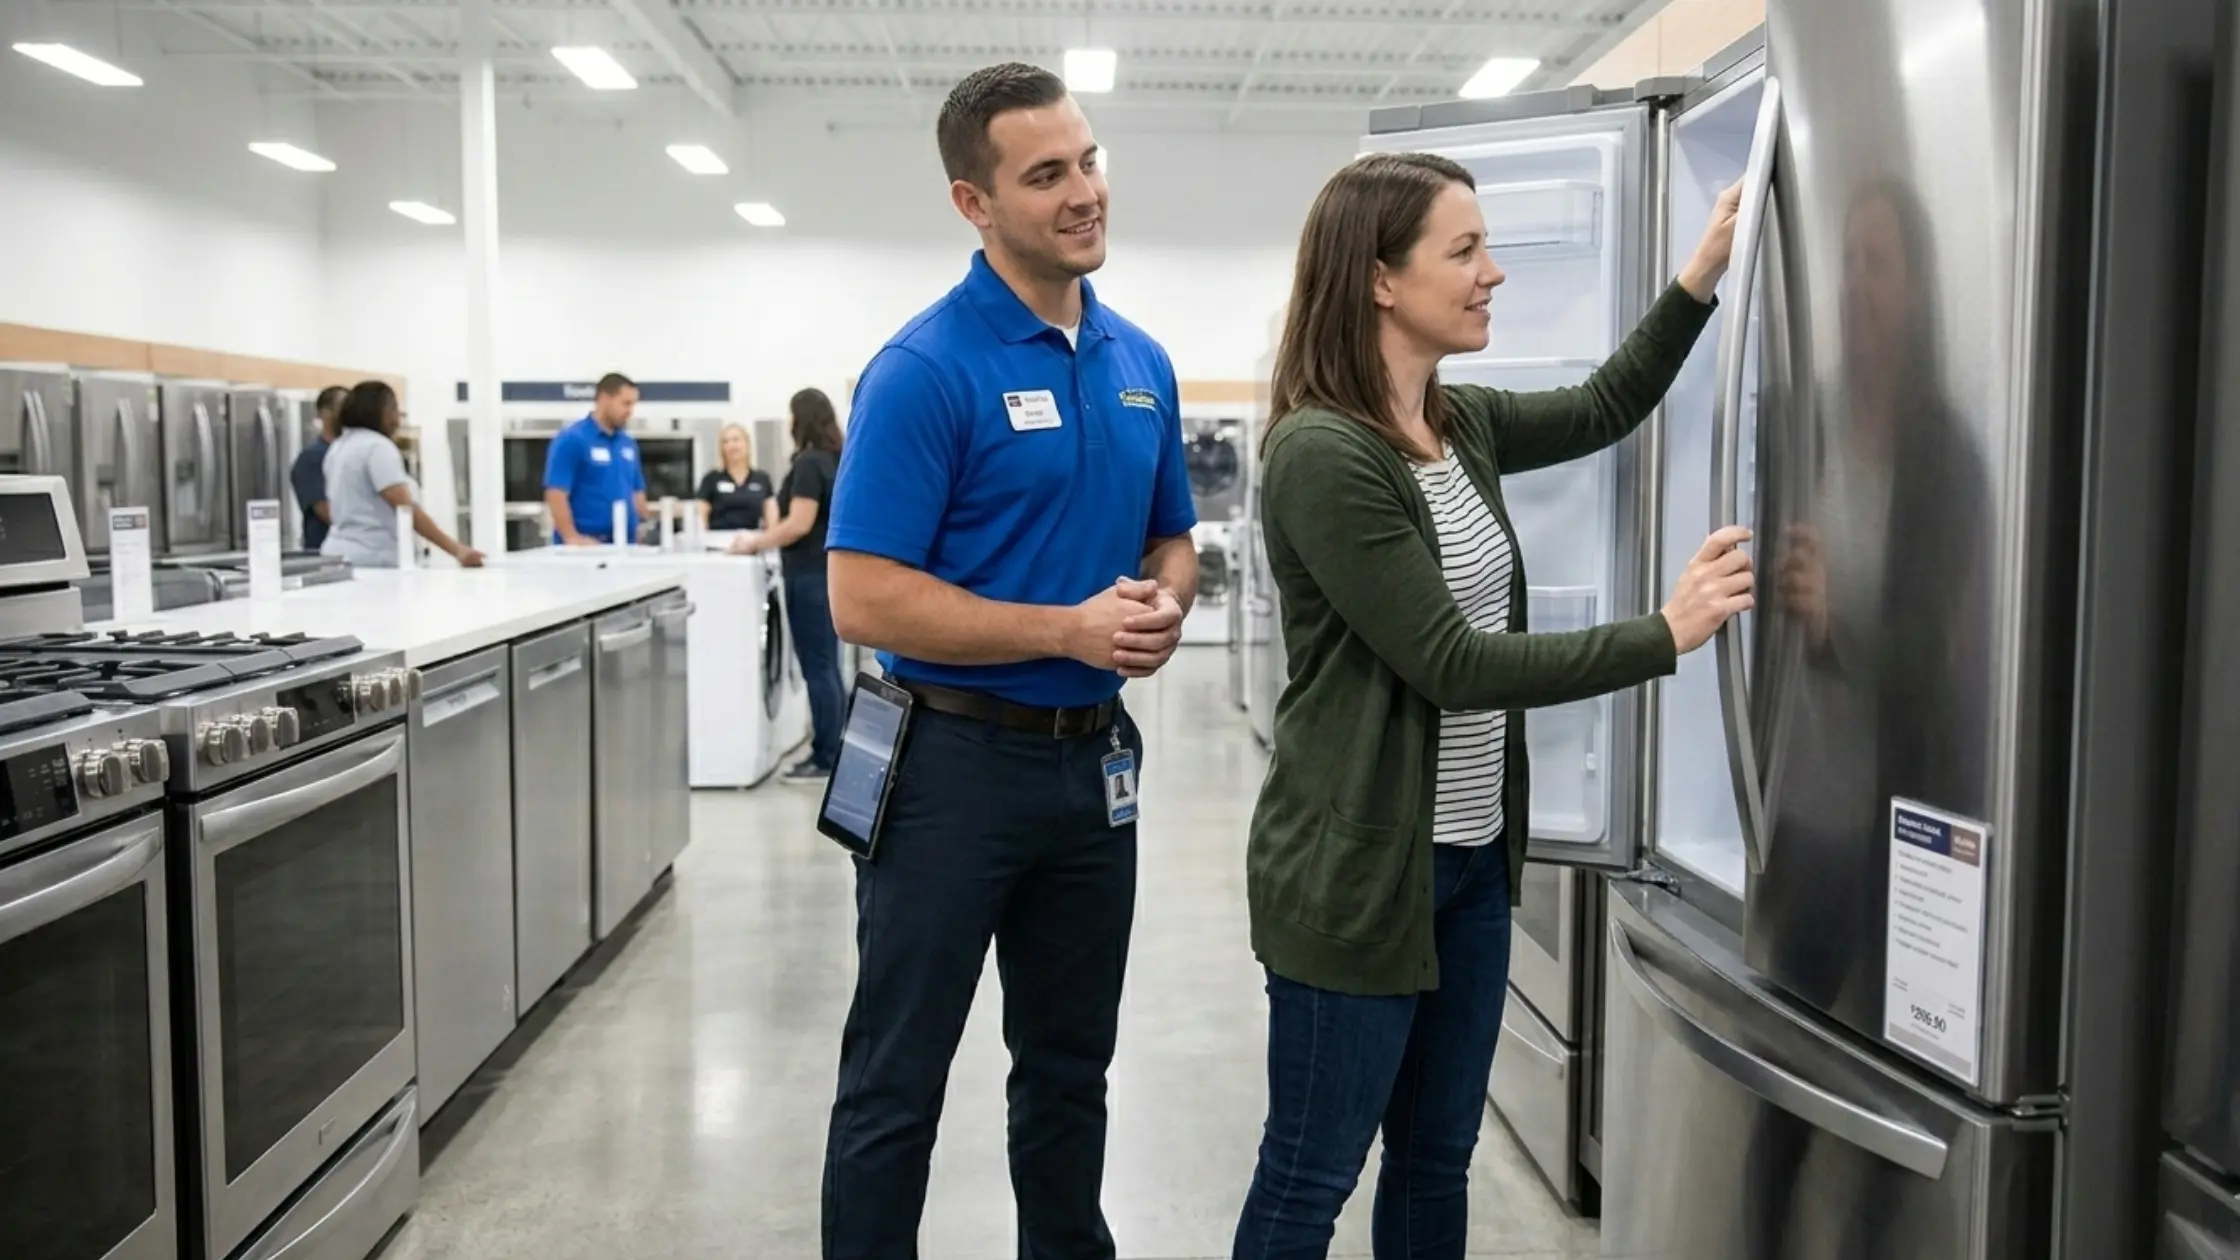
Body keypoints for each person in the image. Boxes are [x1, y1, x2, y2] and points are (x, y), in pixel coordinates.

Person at [1230, 152, 1748, 1258]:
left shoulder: (1455, 423)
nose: (1492, 273)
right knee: (1309, 1176)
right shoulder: (1324, 454)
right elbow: (1452, 663)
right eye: (1463, 250)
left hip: (1465, 865)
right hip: (1359, 876)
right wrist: (1664, 632)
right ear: (1379, 279)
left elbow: (1605, 404)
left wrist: (1702, 272)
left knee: (1434, 1159)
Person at [817, 63, 1198, 1260]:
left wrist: (1162, 604)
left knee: (1069, 1071)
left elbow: (1171, 537)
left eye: (1087, 161)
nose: (1083, 192)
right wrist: (1062, 629)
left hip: (1092, 773)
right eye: (1044, 176)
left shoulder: (1137, 361)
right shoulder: (925, 369)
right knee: (896, 1081)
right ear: (972, 204)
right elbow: (859, 596)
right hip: (946, 770)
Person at [729, 390, 844, 780]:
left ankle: (826, 755)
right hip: (827, 574)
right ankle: (834, 748)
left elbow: (798, 523)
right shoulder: (835, 458)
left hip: (807, 577)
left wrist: (754, 543)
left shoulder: (809, 462)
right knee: (828, 666)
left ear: (800, 419)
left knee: (817, 668)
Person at [321, 381, 483, 569]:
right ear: (380, 411)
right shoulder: (377, 447)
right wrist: (457, 550)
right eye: (394, 409)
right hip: (372, 557)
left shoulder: (339, 447)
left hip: (337, 553)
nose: (398, 418)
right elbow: (405, 507)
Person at [543, 373, 648, 545]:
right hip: (586, 546)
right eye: (625, 403)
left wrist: (644, 525)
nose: (630, 411)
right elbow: (556, 493)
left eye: (633, 404)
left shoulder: (627, 443)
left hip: (625, 544)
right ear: (604, 398)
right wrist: (571, 537)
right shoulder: (572, 439)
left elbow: (636, 490)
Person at [289, 385, 346, 551]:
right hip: (324, 554)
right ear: (324, 413)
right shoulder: (313, 458)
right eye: (342, 407)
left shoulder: (350, 453)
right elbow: (326, 511)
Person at [695, 422, 778, 534]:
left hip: (752, 540)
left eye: (736, 440)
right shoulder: (711, 479)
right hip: (718, 539)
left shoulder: (762, 479)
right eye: (725, 442)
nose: (731, 446)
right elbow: (700, 517)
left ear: (747, 444)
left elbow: (772, 520)